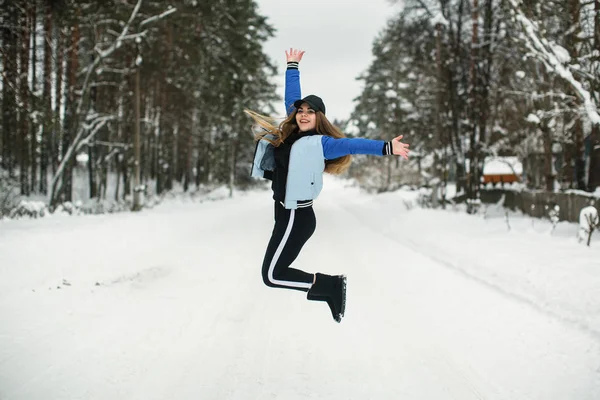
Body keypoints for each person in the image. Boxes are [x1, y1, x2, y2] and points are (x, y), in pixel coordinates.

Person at [246, 48, 410, 323]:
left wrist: (386, 147)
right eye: (301, 111)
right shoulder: (291, 133)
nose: (303, 114)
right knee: (274, 273)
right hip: (286, 214)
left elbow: (352, 143)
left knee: (272, 275)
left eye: (311, 111)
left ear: (319, 117)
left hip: (296, 216)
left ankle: (329, 286)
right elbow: (291, 97)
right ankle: (328, 287)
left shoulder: (321, 143)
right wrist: (292, 66)